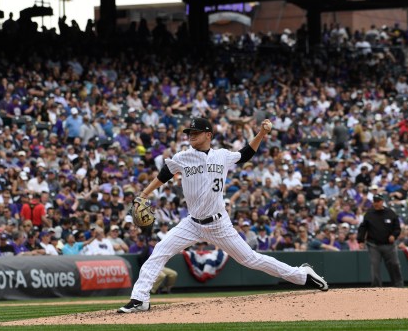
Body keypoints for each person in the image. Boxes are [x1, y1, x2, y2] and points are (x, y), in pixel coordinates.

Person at [118, 118, 328, 314]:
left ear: (208, 135)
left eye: (196, 132)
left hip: (219, 223)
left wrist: (261, 132)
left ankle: (302, 275)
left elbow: (246, 154)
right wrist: (143, 194)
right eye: (189, 132)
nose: (191, 135)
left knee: (251, 259)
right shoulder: (182, 157)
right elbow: (163, 175)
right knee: (160, 251)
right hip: (192, 223)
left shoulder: (222, 155)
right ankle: (139, 299)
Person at [357, 194, 404, 288]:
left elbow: (397, 228)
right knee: (375, 266)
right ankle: (376, 288)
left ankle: (399, 286)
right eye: (374, 201)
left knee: (394, 264)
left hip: (389, 245)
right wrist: (361, 240)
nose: (376, 203)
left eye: (378, 201)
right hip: (373, 245)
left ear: (382, 202)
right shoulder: (369, 214)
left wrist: (394, 235)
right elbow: (363, 227)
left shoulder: (390, 213)